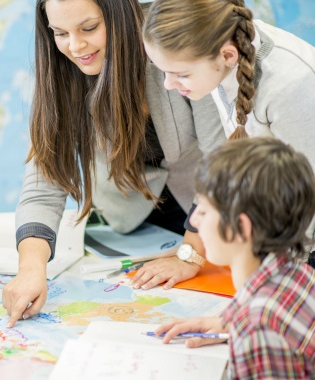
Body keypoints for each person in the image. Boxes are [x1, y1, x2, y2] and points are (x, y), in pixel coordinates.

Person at [2, 0, 224, 327]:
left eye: (89, 28)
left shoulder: (173, 42)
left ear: (120, 14)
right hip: (137, 224)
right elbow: (43, 184)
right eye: (60, 33)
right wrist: (31, 270)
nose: (75, 46)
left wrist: (191, 253)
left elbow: (223, 160)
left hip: (208, 207)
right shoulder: (58, 72)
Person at [132, 0, 315, 290]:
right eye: (162, 70)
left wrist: (266, 299)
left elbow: (310, 201)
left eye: (181, 74)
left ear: (228, 55)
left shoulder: (291, 85)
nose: (168, 85)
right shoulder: (220, 62)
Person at [154, 137, 315, 378]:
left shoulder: (257, 327)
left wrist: (244, 327)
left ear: (241, 228)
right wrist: (228, 323)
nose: (194, 221)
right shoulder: (299, 273)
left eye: (204, 211)